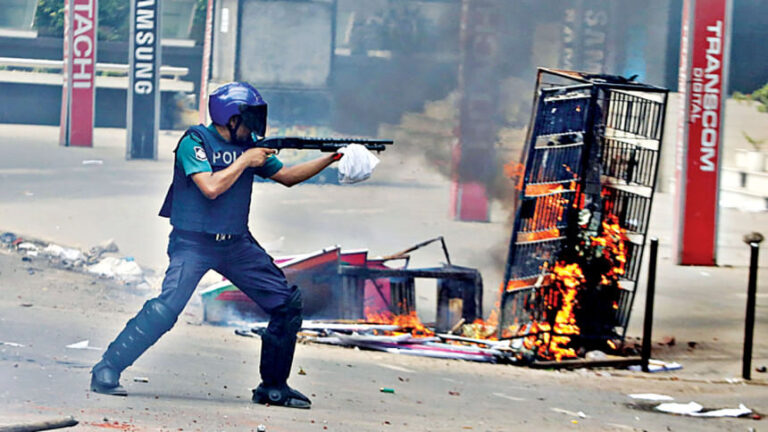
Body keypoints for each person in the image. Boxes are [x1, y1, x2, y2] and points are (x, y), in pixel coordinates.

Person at [90, 82, 340, 409]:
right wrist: (245, 161)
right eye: (248, 119)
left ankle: (273, 387)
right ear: (229, 118)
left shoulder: (248, 146)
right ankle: (107, 367)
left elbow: (289, 176)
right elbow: (209, 187)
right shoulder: (195, 142)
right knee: (166, 310)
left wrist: (333, 157)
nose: (253, 127)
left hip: (235, 244)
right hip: (193, 242)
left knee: (285, 305)